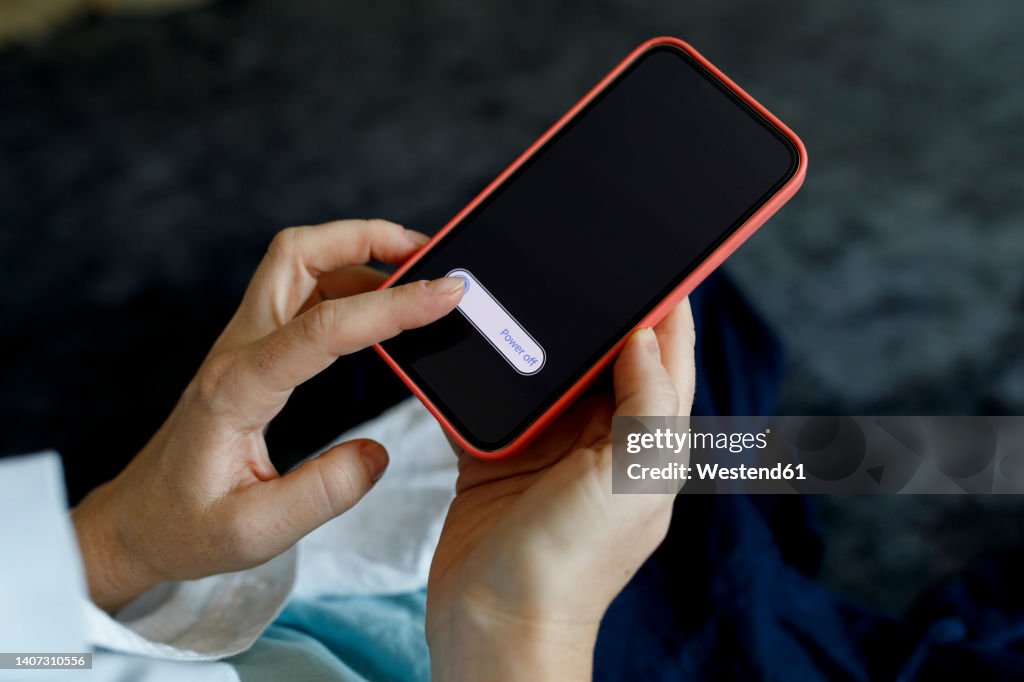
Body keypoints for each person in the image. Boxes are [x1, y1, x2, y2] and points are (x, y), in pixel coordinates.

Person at [1, 218, 696, 680]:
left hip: (267, 599)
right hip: (487, 624)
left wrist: (114, 543)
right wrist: (524, 627)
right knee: (717, 417)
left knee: (663, 361)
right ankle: (796, 463)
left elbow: (28, 655)